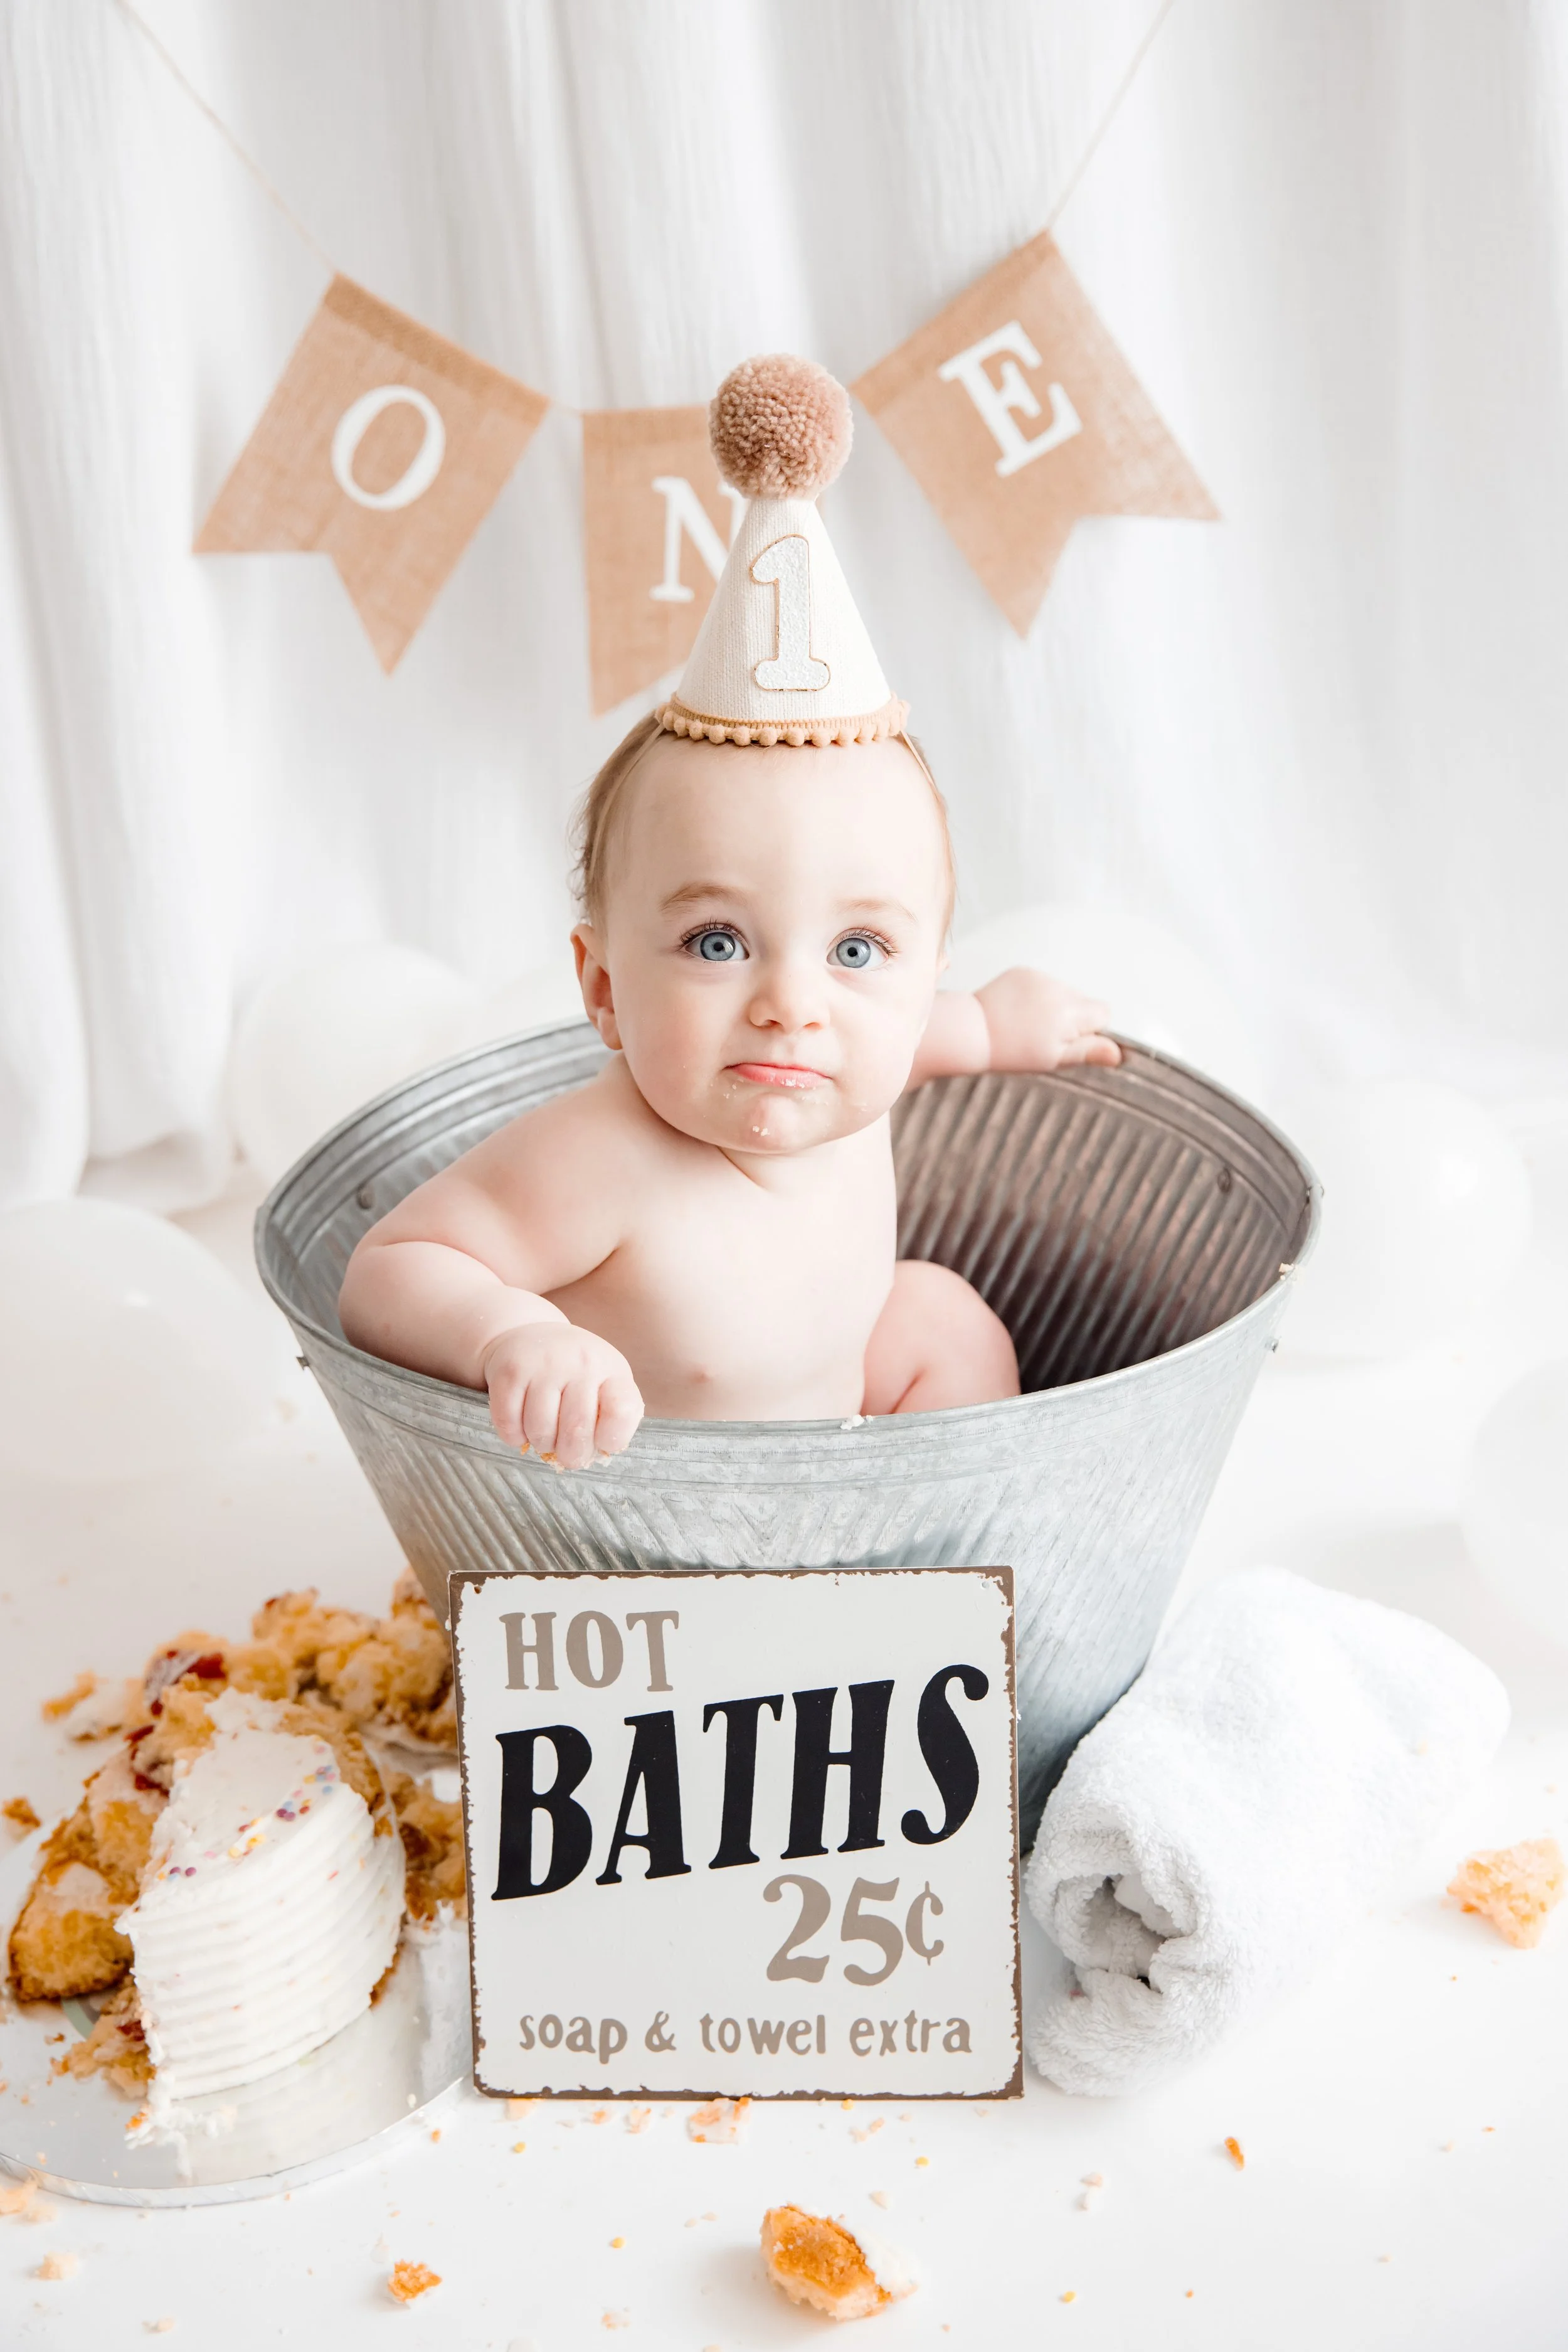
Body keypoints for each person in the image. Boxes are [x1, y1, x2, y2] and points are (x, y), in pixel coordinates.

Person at [339, 356, 1118, 1469]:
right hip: (661, 1525)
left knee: (935, 1312)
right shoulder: (596, 1161)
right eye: (718, 943)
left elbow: (918, 1033)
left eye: (859, 949)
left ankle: (943, 1534)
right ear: (605, 986)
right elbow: (391, 1267)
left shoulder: (852, 1058)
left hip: (839, 1413)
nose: (793, 1008)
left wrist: (994, 1025)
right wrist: (513, 1331)